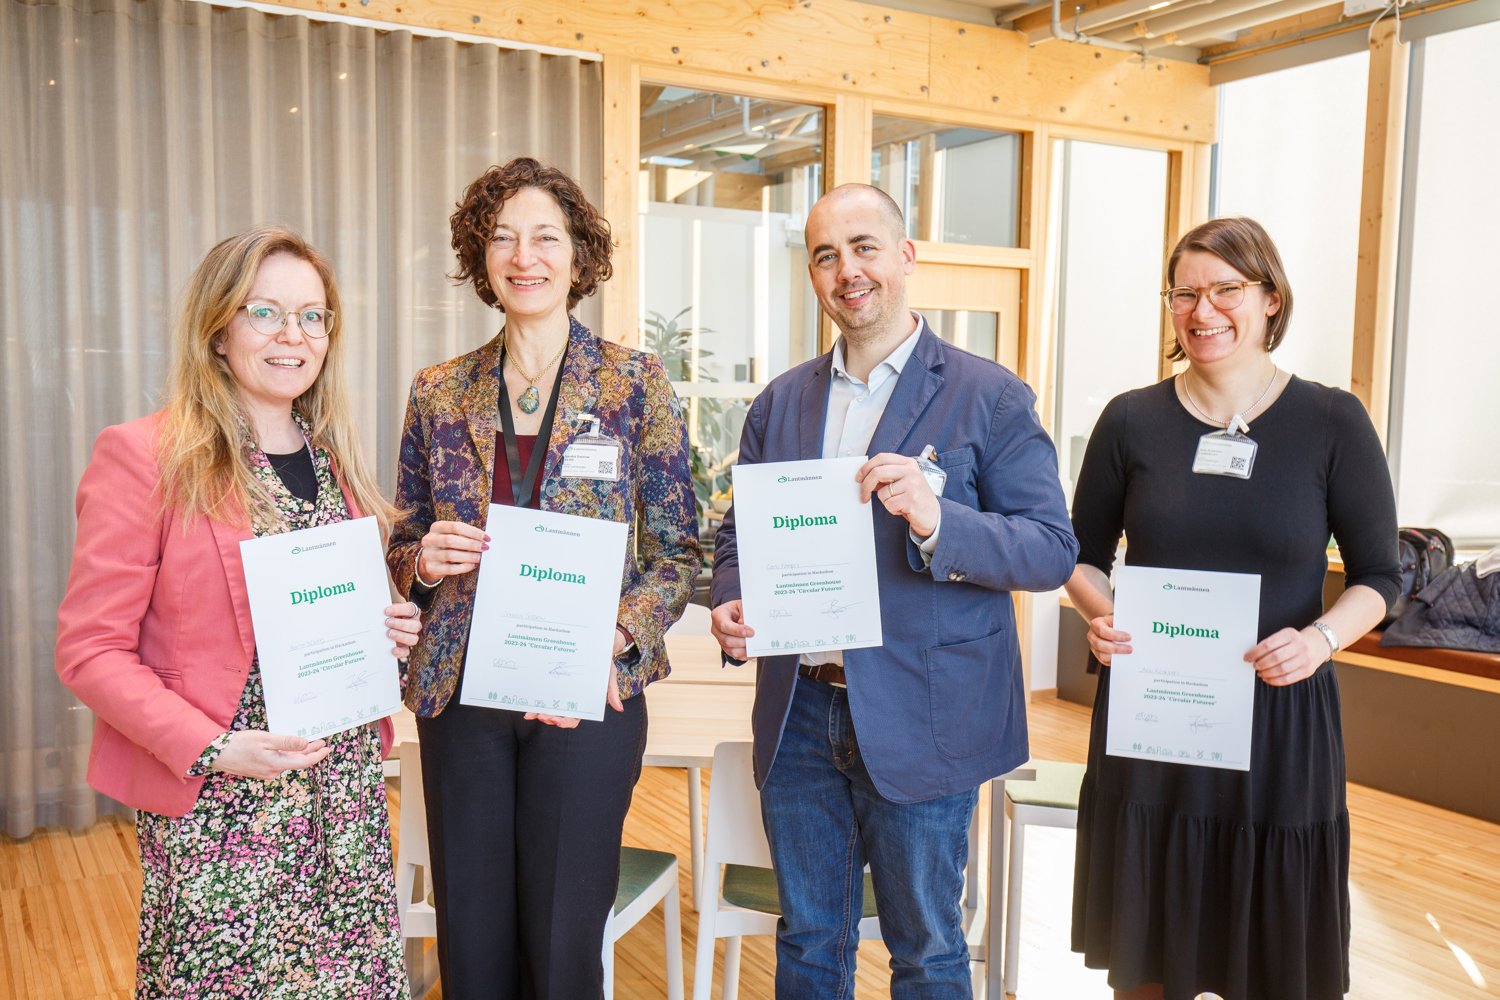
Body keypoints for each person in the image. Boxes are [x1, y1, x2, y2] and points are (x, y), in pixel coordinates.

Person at [710, 183, 1078, 998]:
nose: (848, 271)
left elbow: (1052, 551)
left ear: (907, 257)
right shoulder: (780, 403)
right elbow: (737, 538)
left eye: (865, 247)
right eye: (825, 255)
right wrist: (731, 599)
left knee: (928, 948)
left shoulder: (991, 395)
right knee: (808, 940)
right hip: (800, 710)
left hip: (928, 712)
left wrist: (938, 518)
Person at [55, 225, 422, 998]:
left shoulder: (335, 461)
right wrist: (213, 748)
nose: (294, 335)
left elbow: (332, 609)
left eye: (313, 316)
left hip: (345, 801)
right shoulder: (148, 457)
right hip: (223, 810)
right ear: (219, 329)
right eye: (266, 312)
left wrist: (386, 630)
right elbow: (90, 652)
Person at [385, 156, 702, 999]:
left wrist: (620, 635)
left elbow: (678, 551)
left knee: (564, 946)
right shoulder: (437, 391)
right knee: (475, 939)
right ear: (481, 258)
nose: (525, 256)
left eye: (545, 237)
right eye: (502, 238)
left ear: (578, 254)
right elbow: (402, 535)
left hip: (584, 691)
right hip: (463, 699)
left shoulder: (635, 385)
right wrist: (420, 559)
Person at [1066, 217, 1401, 1000]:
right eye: (1186, 293)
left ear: (1270, 299)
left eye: (1226, 290)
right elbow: (1076, 556)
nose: (1203, 310)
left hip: (1279, 718)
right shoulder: (1131, 420)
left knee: (1274, 964)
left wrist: (1319, 641)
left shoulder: (1331, 421)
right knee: (1147, 960)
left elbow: (1382, 577)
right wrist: (1103, 613)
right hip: (1156, 714)